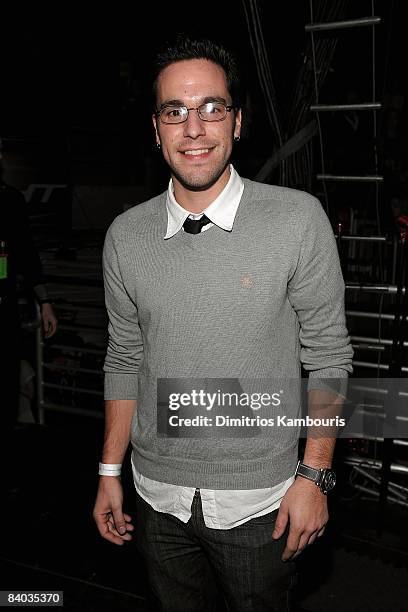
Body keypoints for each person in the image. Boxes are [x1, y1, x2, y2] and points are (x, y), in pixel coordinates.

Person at [93, 36, 353, 611]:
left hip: (263, 503)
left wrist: (315, 478)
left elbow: (328, 356)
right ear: (155, 128)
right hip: (156, 498)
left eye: (212, 108)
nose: (194, 128)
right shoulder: (125, 236)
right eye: (175, 112)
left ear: (237, 123)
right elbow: (124, 360)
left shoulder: (296, 220)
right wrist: (110, 470)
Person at [0, 138, 57, 439]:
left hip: (4, 306)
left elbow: (26, 252)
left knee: (8, 382)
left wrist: (44, 301)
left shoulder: (10, 200)